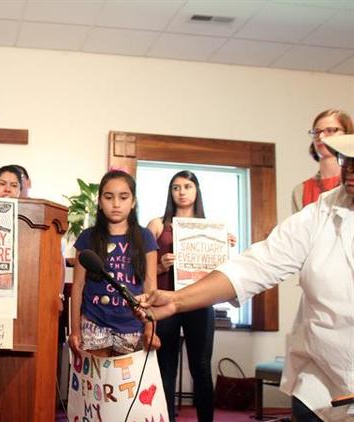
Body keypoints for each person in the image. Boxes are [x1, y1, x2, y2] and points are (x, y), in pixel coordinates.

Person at [139, 133, 354, 422]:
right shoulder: (320, 213)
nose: (349, 170)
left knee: (200, 365)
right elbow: (257, 265)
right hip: (321, 385)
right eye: (347, 160)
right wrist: (176, 300)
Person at [146, 170, 233, 422]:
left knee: (202, 367)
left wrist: (221, 248)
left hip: (199, 302)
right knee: (166, 367)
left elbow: (220, 273)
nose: (181, 192)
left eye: (187, 186)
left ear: (196, 191)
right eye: (176, 187)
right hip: (165, 301)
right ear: (170, 193)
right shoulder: (157, 225)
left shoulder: (212, 228)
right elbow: (141, 265)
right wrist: (161, 265)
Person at [68, 170, 159, 359]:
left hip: (132, 325)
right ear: (100, 202)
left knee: (126, 387)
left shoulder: (145, 238)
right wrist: (75, 330)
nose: (116, 204)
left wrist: (151, 327)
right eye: (109, 197)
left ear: (133, 202)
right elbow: (77, 286)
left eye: (123, 197)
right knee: (95, 386)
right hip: (94, 323)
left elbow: (150, 285)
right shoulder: (87, 237)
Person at [292, 109, 353, 213]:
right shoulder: (301, 190)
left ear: (347, 134)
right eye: (316, 132)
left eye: (330, 130)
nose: (321, 137)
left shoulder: (350, 182)